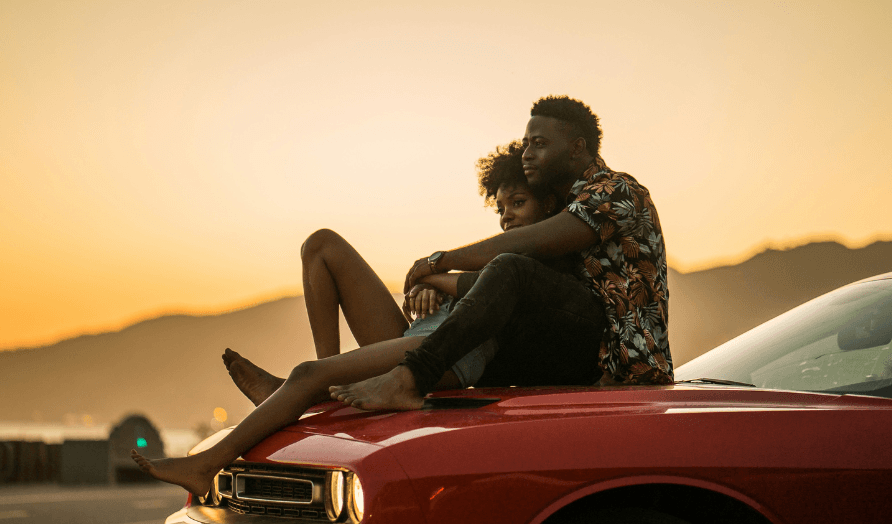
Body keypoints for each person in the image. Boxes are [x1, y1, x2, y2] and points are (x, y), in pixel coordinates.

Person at [131, 142, 563, 497]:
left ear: (548, 208)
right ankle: (314, 391)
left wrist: (440, 279)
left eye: (518, 204)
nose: (507, 216)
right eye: (502, 207)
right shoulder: (494, 259)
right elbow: (465, 286)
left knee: (308, 373)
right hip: (418, 335)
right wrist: (434, 287)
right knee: (321, 245)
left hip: (444, 356)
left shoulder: (545, 262)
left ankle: (209, 463)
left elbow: (499, 291)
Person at [330, 95, 673, 411]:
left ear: (576, 147)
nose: (526, 153)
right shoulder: (564, 202)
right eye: (526, 144)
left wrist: (439, 263)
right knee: (496, 320)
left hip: (628, 368)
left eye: (539, 144)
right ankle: (347, 385)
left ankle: (408, 378)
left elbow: (523, 247)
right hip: (576, 354)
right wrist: (438, 284)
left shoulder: (616, 190)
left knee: (511, 269)